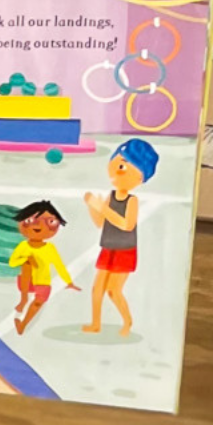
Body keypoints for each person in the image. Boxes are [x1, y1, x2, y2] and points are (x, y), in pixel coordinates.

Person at [84, 138, 157, 336]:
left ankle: (128, 321)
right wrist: (92, 207)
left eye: (123, 166)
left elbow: (127, 225)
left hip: (125, 250)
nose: (116, 171)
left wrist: (102, 208)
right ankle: (96, 323)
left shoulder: (132, 200)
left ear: (140, 177)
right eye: (115, 164)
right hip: (108, 247)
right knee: (97, 288)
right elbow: (101, 223)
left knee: (113, 290)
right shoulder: (111, 196)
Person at [7, 199, 72, 335]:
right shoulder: (23, 246)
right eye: (31, 221)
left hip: (43, 281)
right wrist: (27, 259)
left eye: (50, 222)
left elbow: (59, 265)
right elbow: (12, 262)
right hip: (26, 282)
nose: (38, 226)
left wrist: (68, 282)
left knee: (38, 302)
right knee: (26, 264)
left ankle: (23, 324)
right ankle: (24, 299)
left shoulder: (50, 248)